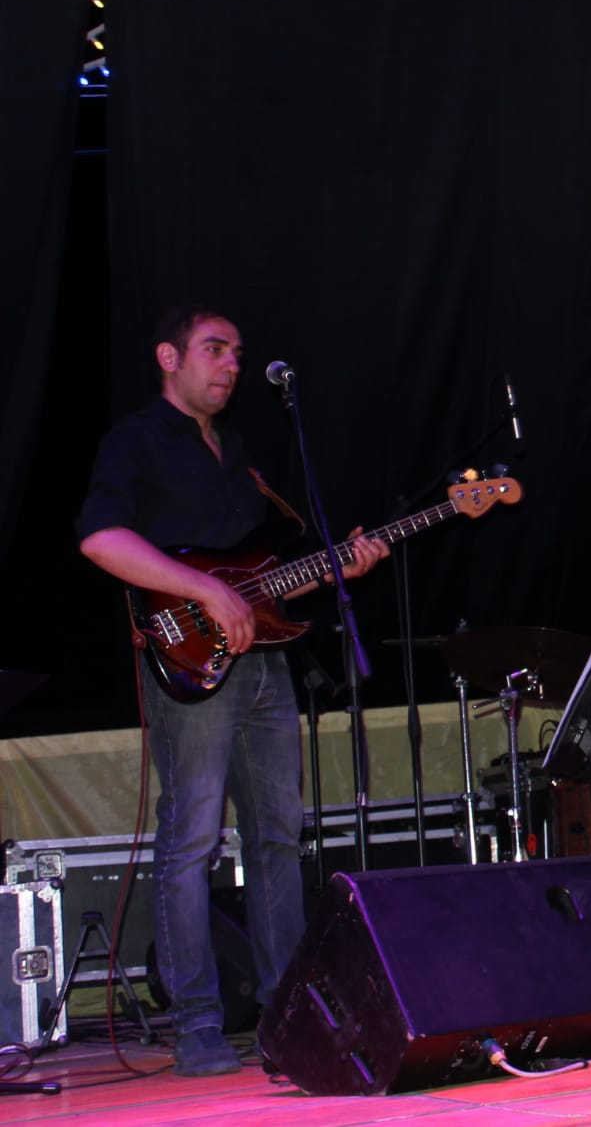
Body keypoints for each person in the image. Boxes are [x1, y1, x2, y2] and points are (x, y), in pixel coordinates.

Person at [76, 306, 388, 1076]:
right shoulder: (136, 439)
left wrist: (338, 564)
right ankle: (197, 1024)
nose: (231, 365)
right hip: (190, 664)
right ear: (168, 356)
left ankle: (287, 1016)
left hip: (264, 663)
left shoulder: (241, 455)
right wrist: (203, 591)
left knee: (278, 834)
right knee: (191, 838)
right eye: (214, 349)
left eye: (238, 354)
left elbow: (262, 577)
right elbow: (101, 538)